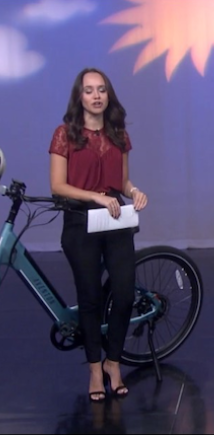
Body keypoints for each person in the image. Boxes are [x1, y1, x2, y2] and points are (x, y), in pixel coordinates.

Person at [49, 67, 148, 402]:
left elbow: (122, 182)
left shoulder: (118, 133)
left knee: (123, 296)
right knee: (90, 298)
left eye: (101, 90)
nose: (96, 96)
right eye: (89, 90)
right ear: (80, 96)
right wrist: (95, 197)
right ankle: (94, 368)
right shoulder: (65, 134)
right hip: (80, 221)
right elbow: (57, 185)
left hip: (116, 219)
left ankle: (113, 362)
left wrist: (134, 191)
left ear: (108, 95)